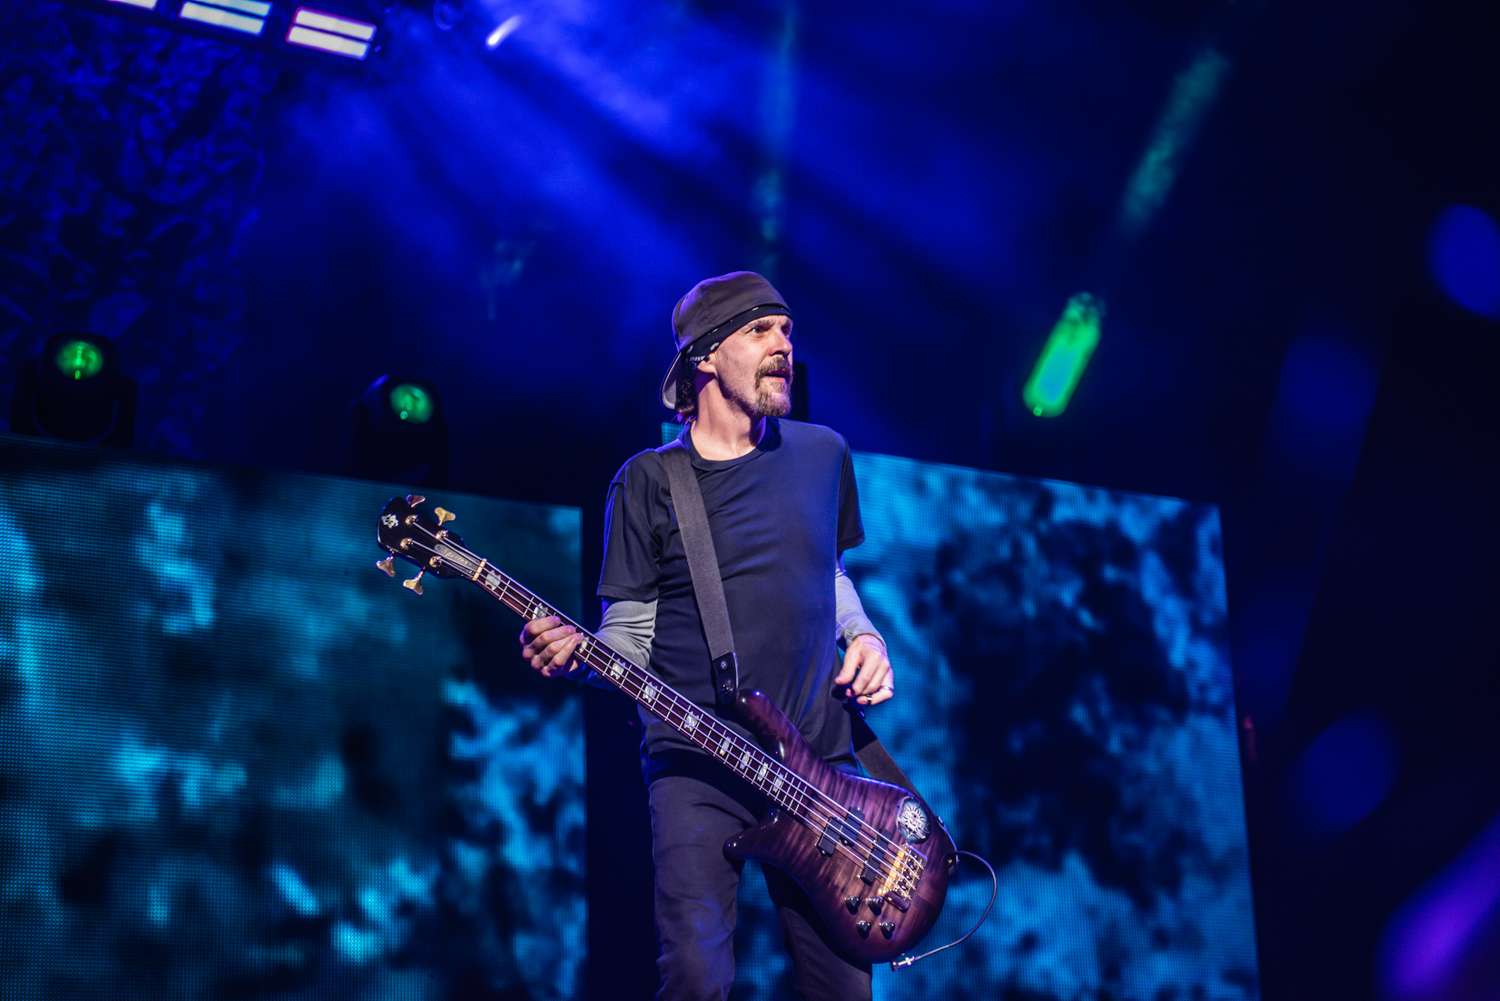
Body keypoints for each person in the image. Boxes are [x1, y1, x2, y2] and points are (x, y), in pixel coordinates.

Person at [518, 271, 894, 1001]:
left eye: (786, 331)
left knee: (843, 991)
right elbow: (627, 637)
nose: (783, 346)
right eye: (760, 331)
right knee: (695, 976)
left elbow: (830, 572)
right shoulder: (648, 481)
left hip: (818, 764)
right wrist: (578, 655)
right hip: (698, 763)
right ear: (704, 357)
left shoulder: (823, 454)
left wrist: (866, 636)